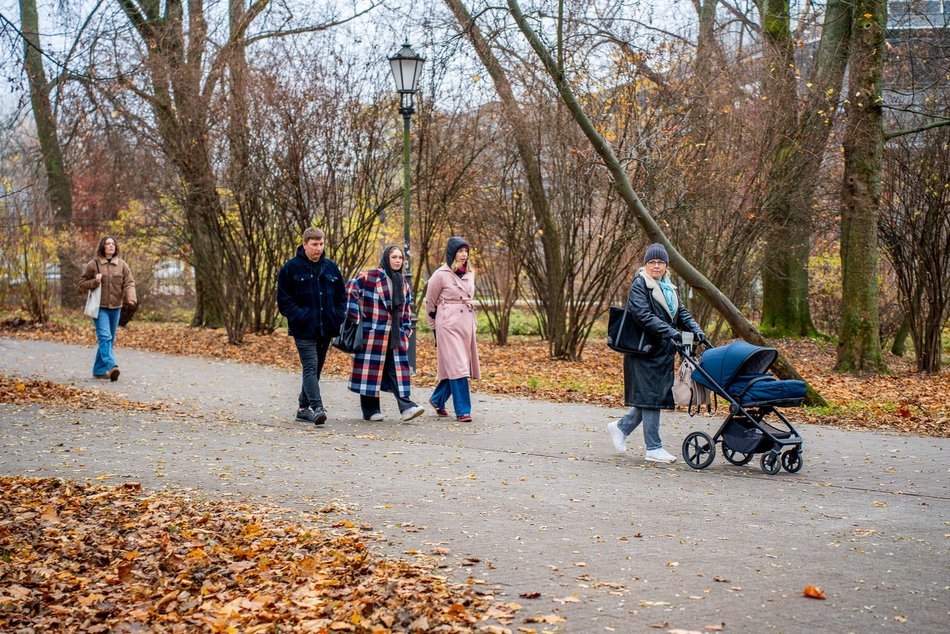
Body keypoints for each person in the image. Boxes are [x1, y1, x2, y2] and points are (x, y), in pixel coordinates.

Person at [607, 243, 706, 463]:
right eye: (652, 262)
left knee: (652, 396)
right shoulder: (640, 285)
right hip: (645, 351)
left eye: (660, 262)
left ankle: (621, 428)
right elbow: (644, 316)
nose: (656, 266)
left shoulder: (668, 287)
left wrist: (696, 330)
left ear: (666, 266)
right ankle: (653, 448)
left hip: (662, 351)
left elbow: (681, 313)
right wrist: (673, 333)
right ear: (646, 264)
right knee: (652, 397)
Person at [346, 245, 425, 422]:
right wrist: (356, 317)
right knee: (371, 371)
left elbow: (406, 309)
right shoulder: (371, 276)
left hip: (395, 335)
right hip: (373, 334)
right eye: (394, 257)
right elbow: (351, 288)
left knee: (396, 370)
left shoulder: (403, 282)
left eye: (400, 258)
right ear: (386, 259)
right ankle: (370, 411)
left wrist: (406, 330)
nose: (398, 261)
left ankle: (406, 407)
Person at [277, 227, 346, 426]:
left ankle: (302, 409)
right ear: (305, 244)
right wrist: (300, 316)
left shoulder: (331, 268)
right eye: (314, 244)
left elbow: (341, 296)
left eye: (321, 244)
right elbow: (284, 301)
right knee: (310, 366)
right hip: (303, 329)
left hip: (326, 328)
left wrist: (338, 316)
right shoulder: (291, 268)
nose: (318, 248)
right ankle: (317, 408)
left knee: (316, 369)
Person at [425, 236, 481, 422]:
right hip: (447, 324)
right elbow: (430, 303)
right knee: (458, 366)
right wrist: (434, 328)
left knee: (459, 365)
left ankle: (437, 399)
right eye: (460, 251)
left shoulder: (470, 273)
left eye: (466, 251)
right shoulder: (440, 274)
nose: (464, 255)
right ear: (452, 254)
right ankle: (463, 410)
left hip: (465, 323)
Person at [78, 236, 137, 381]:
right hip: (100, 308)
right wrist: (94, 281)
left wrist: (131, 298)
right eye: (108, 244)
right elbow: (81, 283)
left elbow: (129, 283)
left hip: (116, 307)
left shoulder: (122, 265)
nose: (111, 246)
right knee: (105, 337)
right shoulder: (94, 264)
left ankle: (98, 370)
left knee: (109, 340)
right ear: (103, 247)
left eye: (113, 244)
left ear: (116, 247)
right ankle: (112, 366)